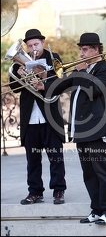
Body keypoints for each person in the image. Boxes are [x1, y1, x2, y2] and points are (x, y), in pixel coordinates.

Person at [34, 32, 106, 224]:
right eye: (80, 49)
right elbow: (61, 85)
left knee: (102, 172)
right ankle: (96, 210)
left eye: (85, 49)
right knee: (88, 173)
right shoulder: (82, 70)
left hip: (98, 129)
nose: (81, 54)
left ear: (96, 50)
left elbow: (94, 91)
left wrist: (82, 72)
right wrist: (43, 82)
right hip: (81, 130)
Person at [9, 29, 67, 205]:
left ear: (43, 43)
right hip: (30, 118)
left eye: (36, 44)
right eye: (30, 45)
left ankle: (58, 190)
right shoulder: (19, 62)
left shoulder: (53, 57)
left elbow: (62, 82)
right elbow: (14, 88)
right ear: (26, 47)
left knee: (55, 157)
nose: (33, 48)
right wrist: (19, 76)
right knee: (32, 160)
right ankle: (35, 192)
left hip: (49, 117)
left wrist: (44, 85)